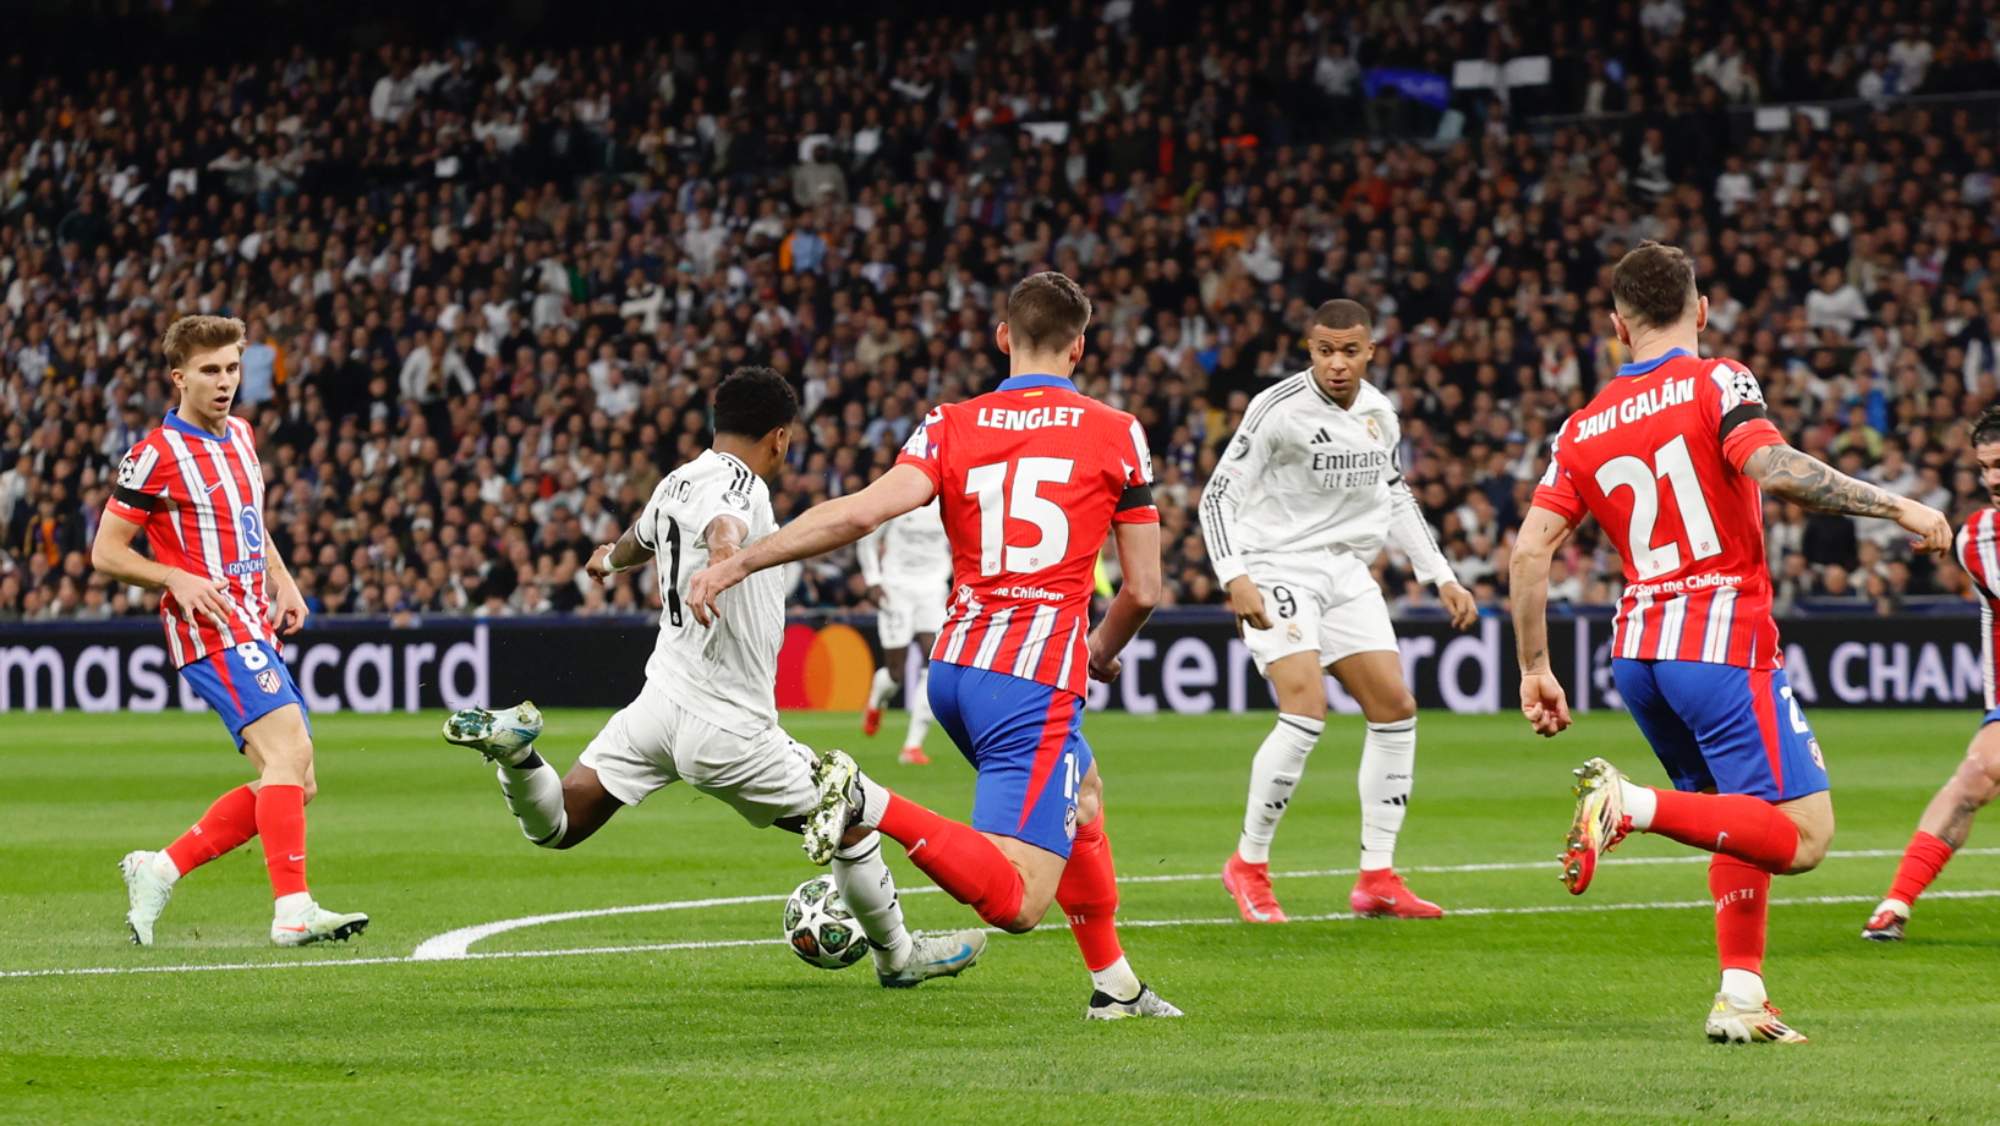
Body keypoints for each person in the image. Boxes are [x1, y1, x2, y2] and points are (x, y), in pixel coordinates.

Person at [686, 272, 1181, 1020]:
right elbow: (1142, 590)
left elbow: (859, 515)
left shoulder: (949, 423)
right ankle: (866, 798)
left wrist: (744, 558)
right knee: (1017, 903)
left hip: (953, 670)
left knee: (1082, 798)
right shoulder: (1116, 431)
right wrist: (1099, 649)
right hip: (1030, 682)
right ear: (1081, 346)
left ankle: (1115, 986)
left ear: (1003, 337)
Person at [1510, 242, 1952, 1044]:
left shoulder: (1579, 428)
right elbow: (1776, 469)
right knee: (1806, 837)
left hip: (1638, 655)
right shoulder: (1717, 380)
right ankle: (1627, 804)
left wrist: (1535, 668)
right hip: (1718, 640)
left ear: (1617, 326)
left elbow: (1529, 551)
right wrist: (1901, 507)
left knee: (1734, 815)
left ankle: (1741, 998)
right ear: (1702, 309)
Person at [440, 367, 983, 989]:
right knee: (851, 820)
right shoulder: (740, 481)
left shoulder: (676, 480)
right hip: (728, 726)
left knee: (560, 823)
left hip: (657, 706)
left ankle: (518, 757)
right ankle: (898, 957)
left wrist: (606, 561)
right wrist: (724, 560)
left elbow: (639, 538)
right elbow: (726, 523)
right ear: (779, 438)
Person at [1200, 298, 1479, 924]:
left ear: (1371, 351)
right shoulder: (1275, 409)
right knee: (1305, 708)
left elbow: (1394, 492)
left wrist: (1441, 576)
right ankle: (1249, 865)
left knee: (1395, 708)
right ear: (1310, 349)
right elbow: (1217, 498)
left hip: (1347, 572)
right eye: (1325, 350)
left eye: (1350, 350)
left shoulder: (1381, 412)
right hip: (1276, 565)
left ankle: (1376, 877)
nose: (1337, 363)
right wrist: (1235, 576)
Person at [95, 314, 367, 947]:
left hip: (252, 620)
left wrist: (284, 579)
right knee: (289, 754)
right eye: (210, 371)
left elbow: (248, 522)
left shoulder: (241, 434)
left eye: (232, 368)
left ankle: (159, 868)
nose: (224, 382)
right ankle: (292, 909)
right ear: (179, 378)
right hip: (210, 626)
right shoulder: (153, 456)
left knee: (297, 782)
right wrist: (174, 579)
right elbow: (106, 552)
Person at [1863, 404, 2000, 940]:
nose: (1993, 478)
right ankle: (1896, 903)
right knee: (1975, 776)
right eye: (1986, 467)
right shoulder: (1979, 541)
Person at [857, 498, 952, 765]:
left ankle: (912, 746)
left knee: (932, 661)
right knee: (896, 673)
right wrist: (873, 580)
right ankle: (877, 699)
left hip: (933, 588)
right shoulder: (901, 499)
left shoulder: (948, 502)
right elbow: (867, 539)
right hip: (895, 588)